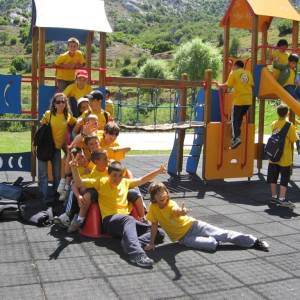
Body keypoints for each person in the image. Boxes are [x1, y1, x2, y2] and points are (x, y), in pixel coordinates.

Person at [70, 160, 166, 268]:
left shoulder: (125, 182)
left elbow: (143, 179)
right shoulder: (100, 182)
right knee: (128, 219)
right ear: (108, 174)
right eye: (114, 175)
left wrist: (158, 171)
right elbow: (79, 183)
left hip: (126, 221)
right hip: (110, 221)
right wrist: (74, 168)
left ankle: (130, 243)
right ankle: (137, 254)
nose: (117, 178)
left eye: (120, 175)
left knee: (158, 233)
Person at [144, 182, 269, 253]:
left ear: (167, 193)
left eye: (163, 192)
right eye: (158, 193)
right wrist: (151, 244)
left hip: (194, 226)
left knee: (223, 234)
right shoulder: (153, 208)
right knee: (211, 245)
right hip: (183, 238)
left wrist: (182, 212)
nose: (162, 195)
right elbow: (154, 225)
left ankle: (254, 241)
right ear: (153, 197)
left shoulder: (171, 204)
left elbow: (175, 211)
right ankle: (213, 239)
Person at [37, 93, 76, 205]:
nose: (61, 104)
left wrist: (87, 118)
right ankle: (43, 197)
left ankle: (56, 196)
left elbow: (76, 122)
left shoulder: (67, 116)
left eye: (63, 101)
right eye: (58, 102)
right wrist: (35, 145)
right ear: (54, 104)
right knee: (43, 174)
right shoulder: (48, 115)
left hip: (56, 149)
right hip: (44, 147)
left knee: (57, 174)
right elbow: (40, 132)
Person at [267, 104, 299, 207]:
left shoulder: (273, 124)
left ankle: (273, 197)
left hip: (273, 156)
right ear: (287, 113)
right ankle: (282, 199)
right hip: (285, 158)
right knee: (284, 178)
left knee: (273, 178)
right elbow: (294, 139)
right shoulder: (290, 126)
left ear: (277, 113)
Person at [220, 60, 254, 149]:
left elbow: (228, 85)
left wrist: (219, 85)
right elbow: (252, 85)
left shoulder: (234, 73)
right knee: (238, 119)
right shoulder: (248, 73)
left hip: (239, 100)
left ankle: (236, 138)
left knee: (234, 119)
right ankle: (236, 136)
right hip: (248, 101)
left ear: (235, 66)